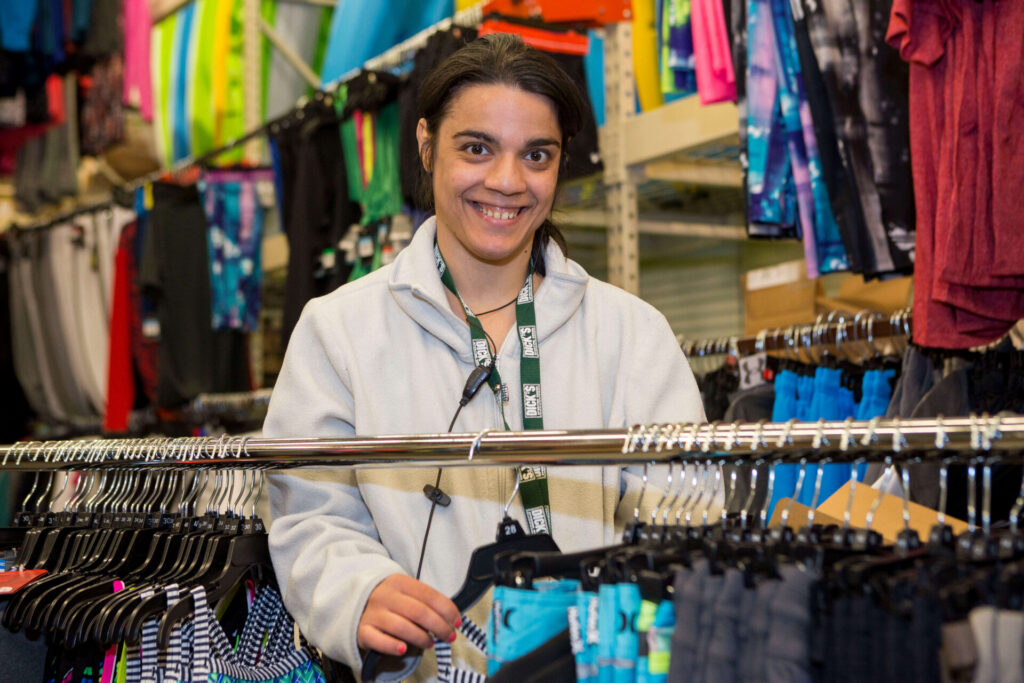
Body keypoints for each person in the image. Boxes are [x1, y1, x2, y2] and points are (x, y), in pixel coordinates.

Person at [263, 33, 706, 680]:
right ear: (424, 144)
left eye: (537, 155)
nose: (507, 181)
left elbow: (683, 517)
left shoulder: (632, 333)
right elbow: (307, 517)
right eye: (476, 148)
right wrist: (357, 590)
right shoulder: (338, 330)